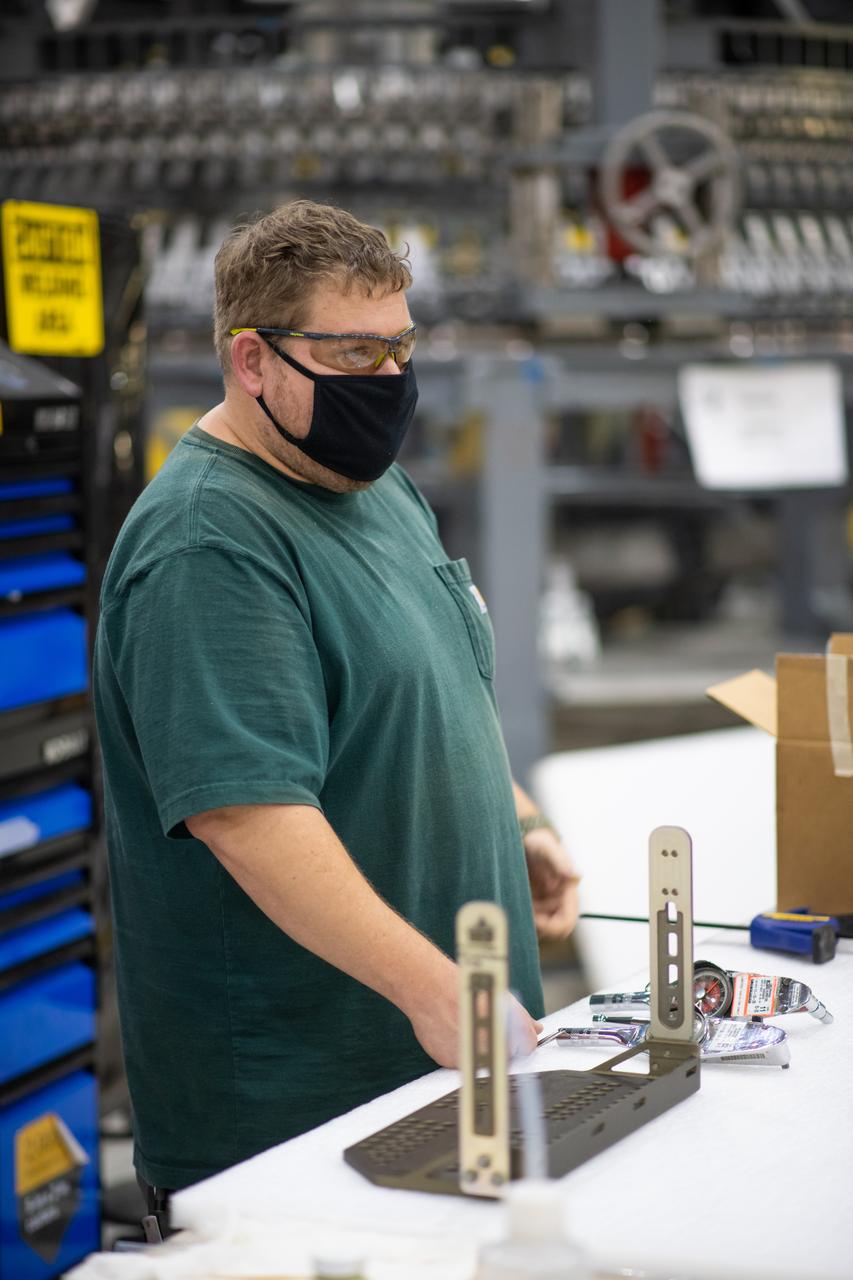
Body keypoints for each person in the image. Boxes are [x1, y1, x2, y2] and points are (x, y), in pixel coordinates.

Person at [93, 200, 579, 1205]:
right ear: (252, 360)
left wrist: (517, 822)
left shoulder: (371, 485)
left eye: (400, 348)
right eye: (353, 354)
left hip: (449, 1072)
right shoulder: (209, 542)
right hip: (302, 1114)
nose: (389, 382)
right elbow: (247, 813)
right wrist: (432, 987)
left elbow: (443, 676)